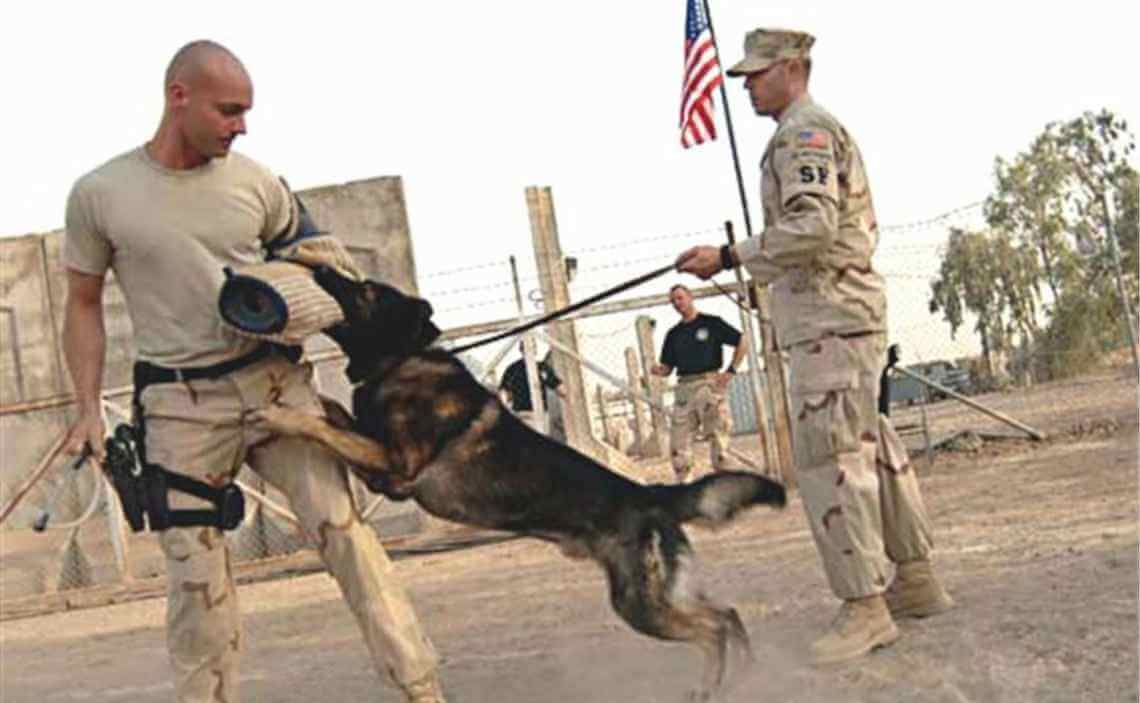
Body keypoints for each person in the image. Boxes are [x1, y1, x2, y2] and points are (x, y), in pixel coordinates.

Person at [60, 40, 445, 702]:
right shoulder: (100, 194)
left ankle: (422, 690)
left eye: (245, 112)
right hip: (180, 408)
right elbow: (83, 303)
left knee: (348, 539)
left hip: (276, 386)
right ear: (178, 96)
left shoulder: (259, 183)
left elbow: (328, 270)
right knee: (195, 585)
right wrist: (88, 407)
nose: (241, 125)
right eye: (229, 110)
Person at [674, 28, 953, 665]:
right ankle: (915, 580)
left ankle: (865, 607)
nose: (745, 86)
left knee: (831, 459)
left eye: (756, 74)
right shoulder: (804, 132)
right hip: (840, 317)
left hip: (831, 323)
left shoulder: (802, 133)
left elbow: (814, 225)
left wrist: (731, 255)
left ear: (794, 68)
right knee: (870, 445)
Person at [650, 284, 747, 483]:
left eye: (680, 298)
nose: (677, 304)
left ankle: (726, 485)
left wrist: (731, 370)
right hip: (685, 388)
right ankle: (684, 487)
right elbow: (668, 367)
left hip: (709, 384)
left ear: (690, 297)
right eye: (673, 301)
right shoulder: (673, 334)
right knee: (679, 443)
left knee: (719, 440)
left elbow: (742, 340)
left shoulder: (712, 323)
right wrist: (658, 371)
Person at [498, 342, 566, 436]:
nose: (531, 351)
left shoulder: (514, 369)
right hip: (527, 415)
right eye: (529, 348)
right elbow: (561, 390)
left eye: (532, 348)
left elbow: (504, 393)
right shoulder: (539, 368)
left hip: (531, 414)